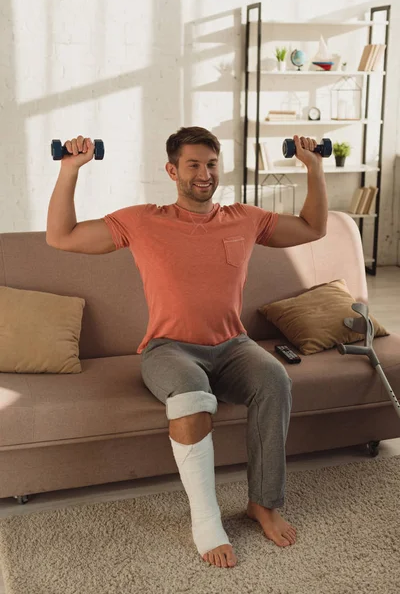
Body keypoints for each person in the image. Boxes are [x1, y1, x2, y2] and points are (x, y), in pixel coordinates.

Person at [46, 127, 328, 570]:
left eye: (211, 164)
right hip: (168, 349)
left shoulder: (244, 218)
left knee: (275, 378)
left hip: (233, 346)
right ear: (172, 170)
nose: (204, 173)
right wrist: (69, 170)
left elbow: (313, 228)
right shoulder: (141, 220)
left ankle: (264, 504)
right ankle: (207, 519)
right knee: (194, 394)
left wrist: (314, 167)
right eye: (193, 164)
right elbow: (60, 237)